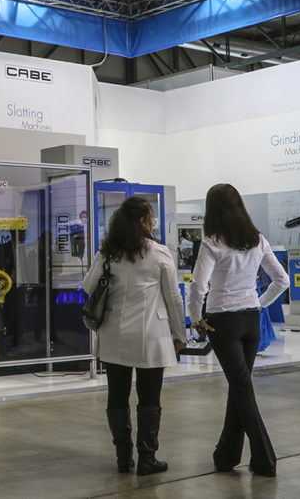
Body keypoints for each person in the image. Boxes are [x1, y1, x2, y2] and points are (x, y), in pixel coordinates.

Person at [188, 184, 290, 477]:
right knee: (240, 385)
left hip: (224, 322)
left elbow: (198, 285)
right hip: (250, 321)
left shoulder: (212, 243)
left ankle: (264, 458)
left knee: (241, 386)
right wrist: (258, 305)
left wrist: (195, 318)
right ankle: (226, 455)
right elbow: (281, 280)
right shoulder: (258, 239)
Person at [82, 196, 185, 476]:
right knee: (149, 397)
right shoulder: (159, 253)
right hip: (151, 335)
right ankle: (147, 458)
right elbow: (173, 298)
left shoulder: (108, 252)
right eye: (150, 218)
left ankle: (123, 457)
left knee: (117, 395)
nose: (152, 223)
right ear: (143, 221)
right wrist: (180, 333)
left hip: (114, 335)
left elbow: (88, 286)